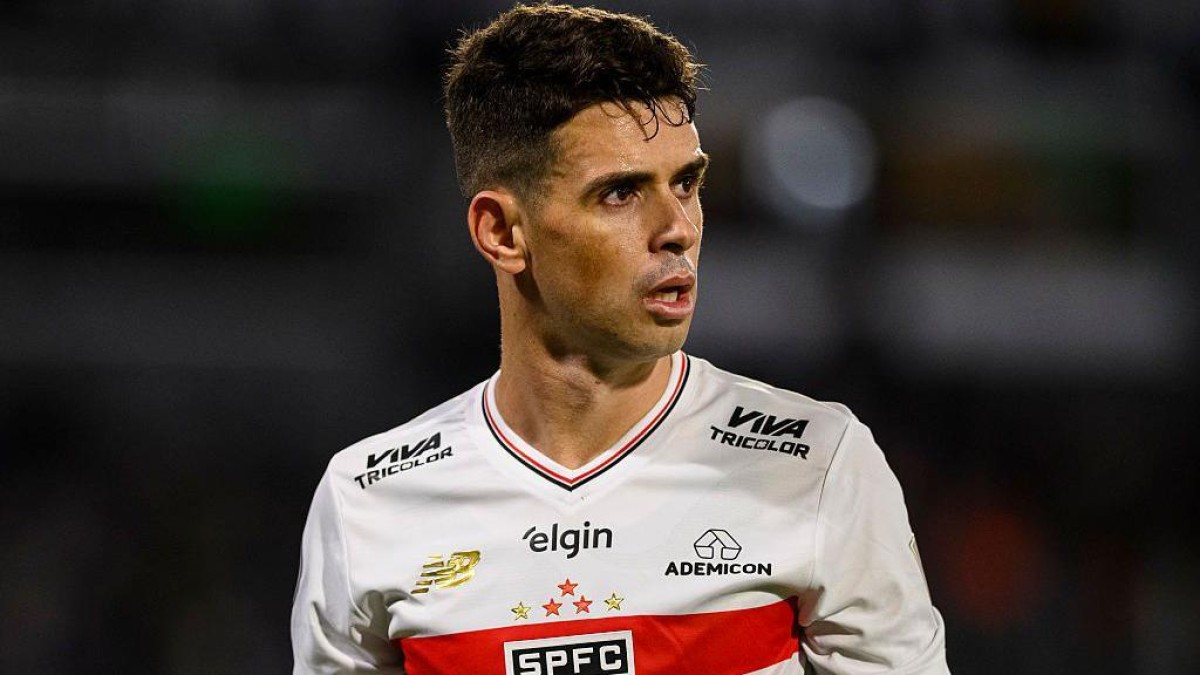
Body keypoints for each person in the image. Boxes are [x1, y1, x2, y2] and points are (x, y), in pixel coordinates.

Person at [291, 4, 949, 673]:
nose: (678, 227)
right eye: (620, 193)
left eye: (686, 182)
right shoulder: (368, 500)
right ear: (502, 232)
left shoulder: (817, 465)